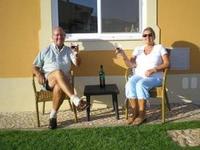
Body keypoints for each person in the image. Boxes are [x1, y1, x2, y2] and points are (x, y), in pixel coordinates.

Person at [32, 26, 89, 129]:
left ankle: (52, 117)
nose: (59, 37)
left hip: (63, 84)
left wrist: (76, 54)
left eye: (61, 35)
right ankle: (75, 99)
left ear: (65, 37)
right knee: (58, 72)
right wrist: (38, 74)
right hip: (49, 81)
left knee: (59, 86)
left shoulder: (68, 50)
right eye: (57, 35)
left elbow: (78, 64)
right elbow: (34, 66)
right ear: (52, 37)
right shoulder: (46, 50)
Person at [115, 27, 169, 125]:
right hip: (139, 75)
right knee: (130, 84)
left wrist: (154, 69)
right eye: (145, 35)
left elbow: (167, 63)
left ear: (154, 36)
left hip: (155, 77)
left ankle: (142, 114)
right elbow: (131, 65)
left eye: (150, 35)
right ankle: (135, 113)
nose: (147, 37)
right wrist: (123, 55)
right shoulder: (138, 49)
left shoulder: (160, 48)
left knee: (141, 84)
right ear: (142, 37)